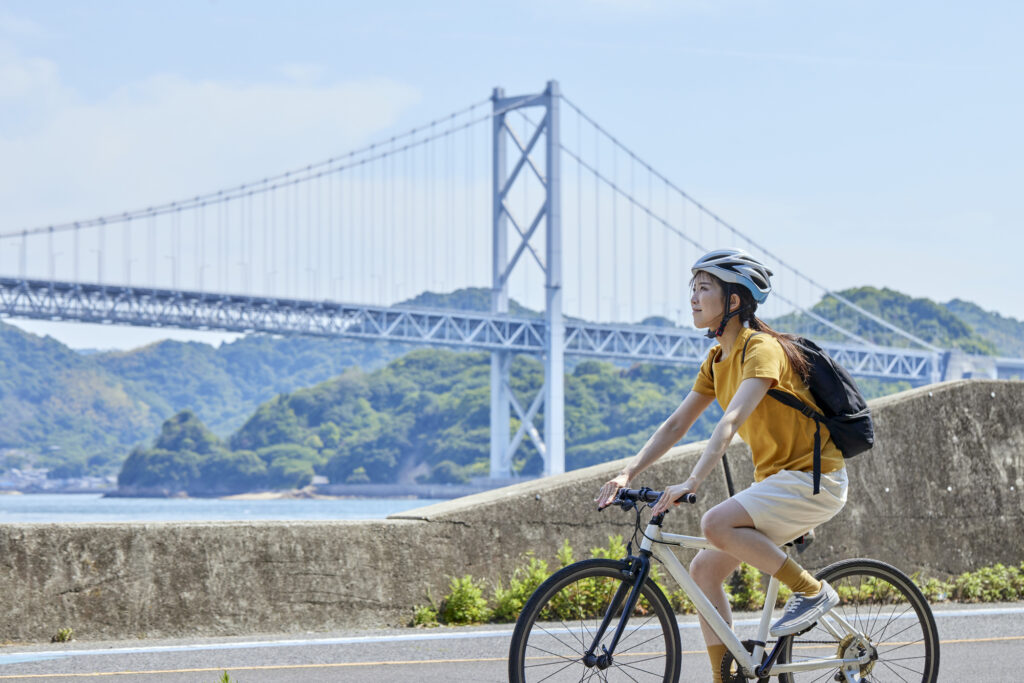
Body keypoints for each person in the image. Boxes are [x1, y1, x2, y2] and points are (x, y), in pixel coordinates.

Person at [595, 248, 848, 683]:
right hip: (778, 485)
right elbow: (676, 424)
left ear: (734, 301)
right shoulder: (716, 360)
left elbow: (732, 420)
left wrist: (693, 479)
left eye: (704, 288)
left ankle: (812, 591)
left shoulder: (762, 348)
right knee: (703, 571)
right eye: (692, 288)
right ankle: (727, 677)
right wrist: (627, 473)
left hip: (814, 480)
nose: (693, 297)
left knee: (714, 523)